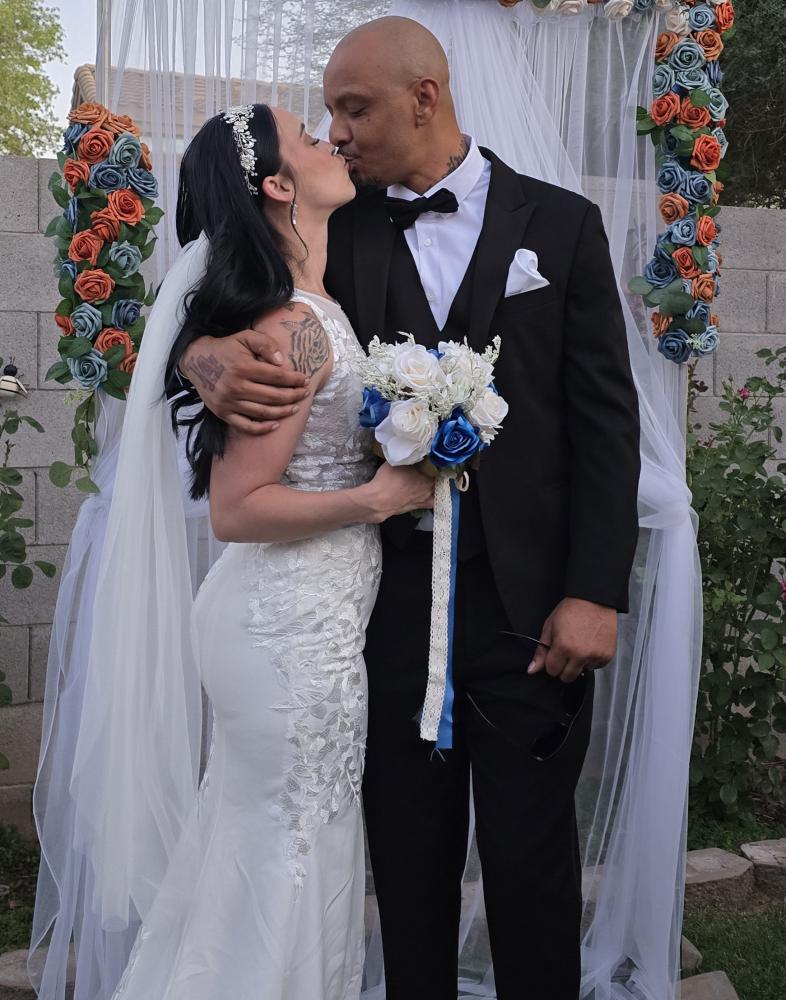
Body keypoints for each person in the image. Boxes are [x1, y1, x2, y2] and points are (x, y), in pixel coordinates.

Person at [181, 15, 641, 1000]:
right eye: (327, 116)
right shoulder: (335, 226)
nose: (336, 133)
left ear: (423, 98)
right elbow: (243, 292)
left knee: (532, 860)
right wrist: (202, 356)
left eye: (354, 109)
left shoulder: (563, 226)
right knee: (405, 863)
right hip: (379, 613)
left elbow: (607, 423)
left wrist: (596, 591)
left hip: (530, 613)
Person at [102, 102, 434, 1000]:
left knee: (283, 844)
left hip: (311, 622)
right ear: (280, 186)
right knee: (283, 847)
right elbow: (237, 508)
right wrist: (376, 498)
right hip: (283, 631)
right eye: (311, 138)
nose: (334, 141)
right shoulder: (293, 327)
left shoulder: (311, 303)